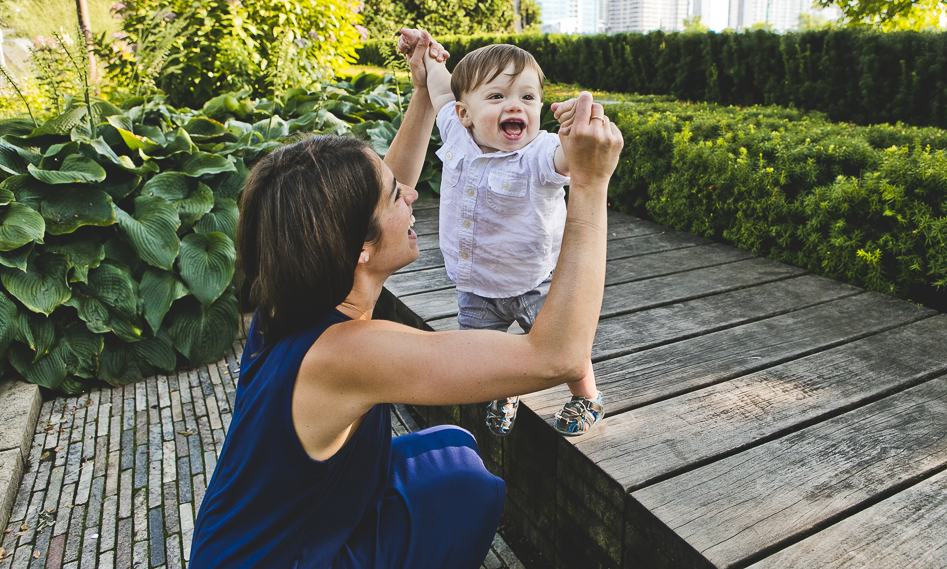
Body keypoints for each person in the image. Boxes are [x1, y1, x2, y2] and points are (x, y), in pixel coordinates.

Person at [187, 29, 623, 568]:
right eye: (396, 196)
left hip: (238, 540)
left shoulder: (292, 295)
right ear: (362, 249)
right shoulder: (350, 354)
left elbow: (374, 195)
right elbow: (557, 356)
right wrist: (590, 183)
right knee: (464, 490)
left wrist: (422, 93)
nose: (412, 192)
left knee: (457, 456)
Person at [421, 42, 604, 437]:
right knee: (482, 353)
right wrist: (430, 59)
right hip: (475, 284)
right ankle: (505, 389)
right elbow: (440, 91)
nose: (515, 106)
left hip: (535, 282)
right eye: (497, 96)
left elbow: (567, 157)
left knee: (568, 346)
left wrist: (577, 130)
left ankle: (587, 395)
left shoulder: (539, 154)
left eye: (527, 96)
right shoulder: (455, 132)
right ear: (464, 113)